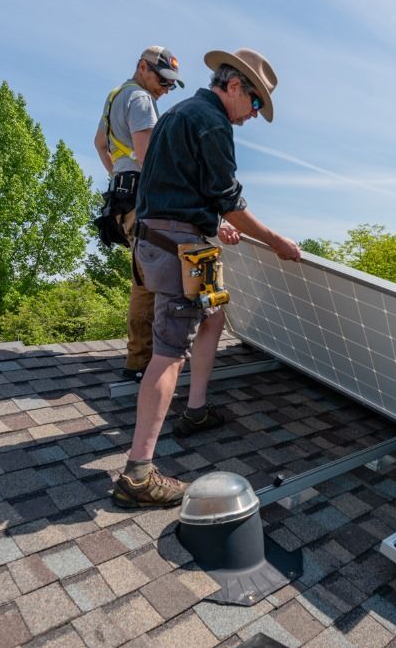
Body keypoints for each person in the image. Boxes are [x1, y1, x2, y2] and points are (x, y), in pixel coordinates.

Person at [111, 48, 301, 508]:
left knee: (213, 316)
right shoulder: (211, 121)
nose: (253, 116)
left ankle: (195, 411)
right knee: (169, 352)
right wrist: (275, 240)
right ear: (234, 86)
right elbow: (229, 200)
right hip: (179, 246)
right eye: (255, 104)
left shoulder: (180, 114)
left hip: (187, 240)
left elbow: (183, 189)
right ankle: (138, 473)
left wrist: (212, 224)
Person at [94, 46, 184, 381]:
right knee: (152, 281)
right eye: (163, 79)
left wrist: (117, 173)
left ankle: (140, 360)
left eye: (172, 84)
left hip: (122, 198)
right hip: (143, 200)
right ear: (142, 67)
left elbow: (99, 143)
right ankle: (145, 363)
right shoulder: (141, 100)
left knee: (143, 276)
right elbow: (149, 158)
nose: (166, 88)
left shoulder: (115, 96)